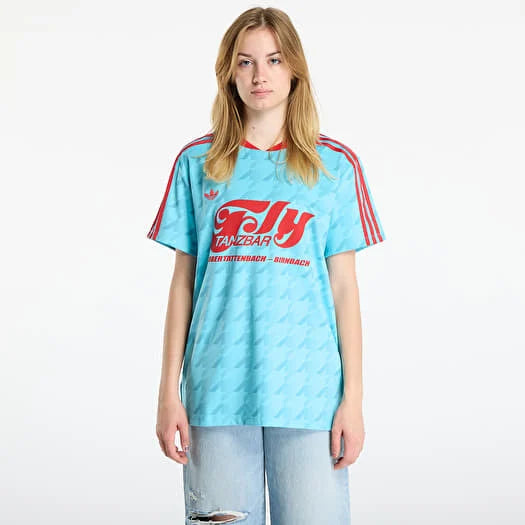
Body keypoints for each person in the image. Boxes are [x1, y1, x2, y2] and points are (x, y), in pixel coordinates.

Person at [146, 6, 386, 524]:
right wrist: (168, 394)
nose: (260, 75)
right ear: (228, 72)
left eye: (274, 60)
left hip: (310, 396)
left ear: (294, 68)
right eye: (246, 61)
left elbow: (344, 289)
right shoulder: (197, 163)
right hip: (216, 393)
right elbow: (183, 284)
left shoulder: (334, 165)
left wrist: (353, 400)